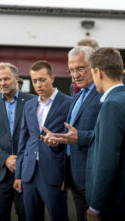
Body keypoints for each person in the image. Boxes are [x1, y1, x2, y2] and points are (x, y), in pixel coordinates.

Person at [40, 46, 101, 221]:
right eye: (71, 70)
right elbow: (71, 134)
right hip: (74, 176)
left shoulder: (103, 94)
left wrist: (79, 137)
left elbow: (109, 136)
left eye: (80, 68)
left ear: (94, 66)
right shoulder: (76, 94)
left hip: (93, 178)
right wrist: (57, 139)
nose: (75, 75)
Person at [13, 61, 71, 221]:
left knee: (59, 217)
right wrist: (18, 174)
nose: (38, 84)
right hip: (29, 173)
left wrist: (68, 176)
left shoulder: (68, 103)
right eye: (34, 80)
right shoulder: (29, 105)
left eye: (42, 79)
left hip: (54, 173)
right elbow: (23, 141)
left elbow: (71, 143)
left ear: (52, 78)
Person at [0, 62, 34, 221]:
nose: (2, 83)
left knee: (27, 215)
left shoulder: (32, 101)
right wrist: (6, 158)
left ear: (16, 79)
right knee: (0, 216)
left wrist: (21, 160)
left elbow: (34, 135)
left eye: (6, 79)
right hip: (0, 173)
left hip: (25, 172)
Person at [85, 48, 125, 220]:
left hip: (113, 202)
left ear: (98, 72)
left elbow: (107, 160)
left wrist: (95, 205)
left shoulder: (112, 104)